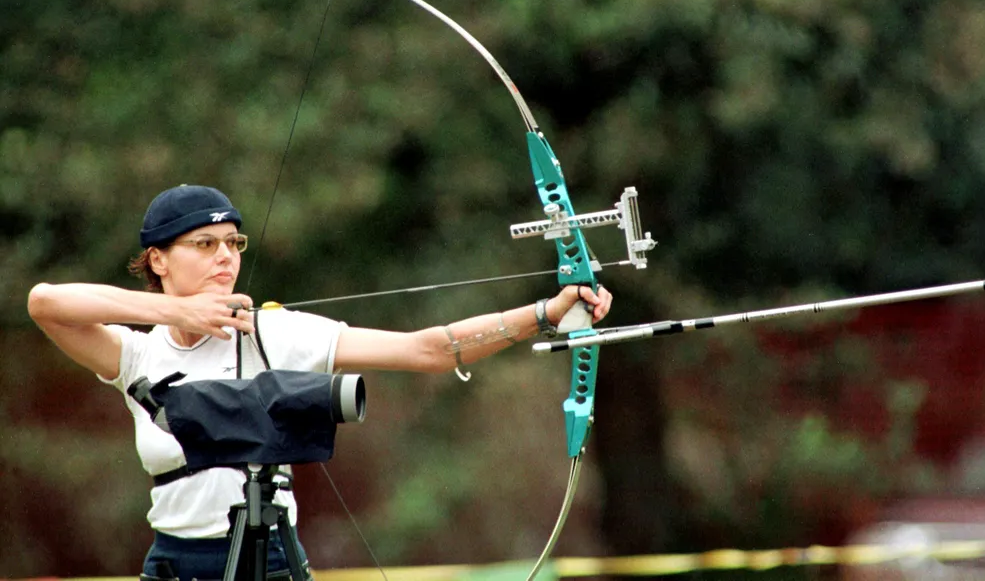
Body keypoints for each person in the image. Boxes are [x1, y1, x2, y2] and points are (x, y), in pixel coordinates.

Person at [27, 184, 613, 581]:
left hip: (271, 558)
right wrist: (176, 315)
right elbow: (46, 303)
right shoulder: (137, 352)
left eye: (233, 242)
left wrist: (545, 312)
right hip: (174, 563)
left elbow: (427, 349)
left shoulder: (276, 333)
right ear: (157, 260)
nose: (225, 257)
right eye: (204, 245)